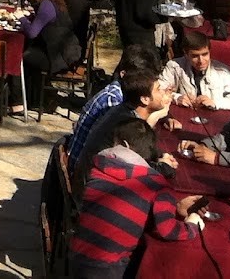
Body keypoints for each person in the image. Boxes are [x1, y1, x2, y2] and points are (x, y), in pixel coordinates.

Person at [69, 116, 205, 278]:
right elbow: (167, 230)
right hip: (110, 266)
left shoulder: (99, 168)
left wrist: (175, 207)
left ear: (124, 146)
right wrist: (192, 225)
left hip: (77, 255)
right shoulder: (157, 184)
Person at [71, 67, 178, 186]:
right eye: (158, 90)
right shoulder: (129, 125)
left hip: (89, 179)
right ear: (145, 99)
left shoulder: (122, 111)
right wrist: (165, 167)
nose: (163, 93)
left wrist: (161, 155)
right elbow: (139, 169)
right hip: (93, 190)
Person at [71, 44, 165, 153]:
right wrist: (156, 115)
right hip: (86, 162)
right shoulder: (113, 101)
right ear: (123, 74)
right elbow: (133, 145)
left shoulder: (124, 96)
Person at [14, 0, 81, 115]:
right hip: (58, 50)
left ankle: (18, 101)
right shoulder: (51, 0)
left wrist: (22, 19)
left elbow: (32, 32)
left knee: (17, 57)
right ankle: (34, 97)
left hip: (59, 56)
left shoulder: (46, 5)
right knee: (28, 52)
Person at [160, 30, 230, 110]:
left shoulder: (222, 71)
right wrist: (177, 98)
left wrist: (214, 102)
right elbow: (159, 91)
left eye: (205, 54)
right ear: (186, 54)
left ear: (210, 52)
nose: (201, 61)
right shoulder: (174, 66)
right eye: (195, 56)